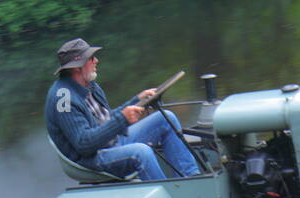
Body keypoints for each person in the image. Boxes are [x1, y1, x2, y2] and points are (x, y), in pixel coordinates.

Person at [45, 38, 199, 181]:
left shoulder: (89, 84)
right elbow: (84, 144)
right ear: (77, 68)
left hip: (111, 143)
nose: (96, 61)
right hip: (92, 159)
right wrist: (123, 119)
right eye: (91, 58)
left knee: (166, 119)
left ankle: (192, 181)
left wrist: (137, 101)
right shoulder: (62, 98)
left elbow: (105, 119)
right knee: (141, 153)